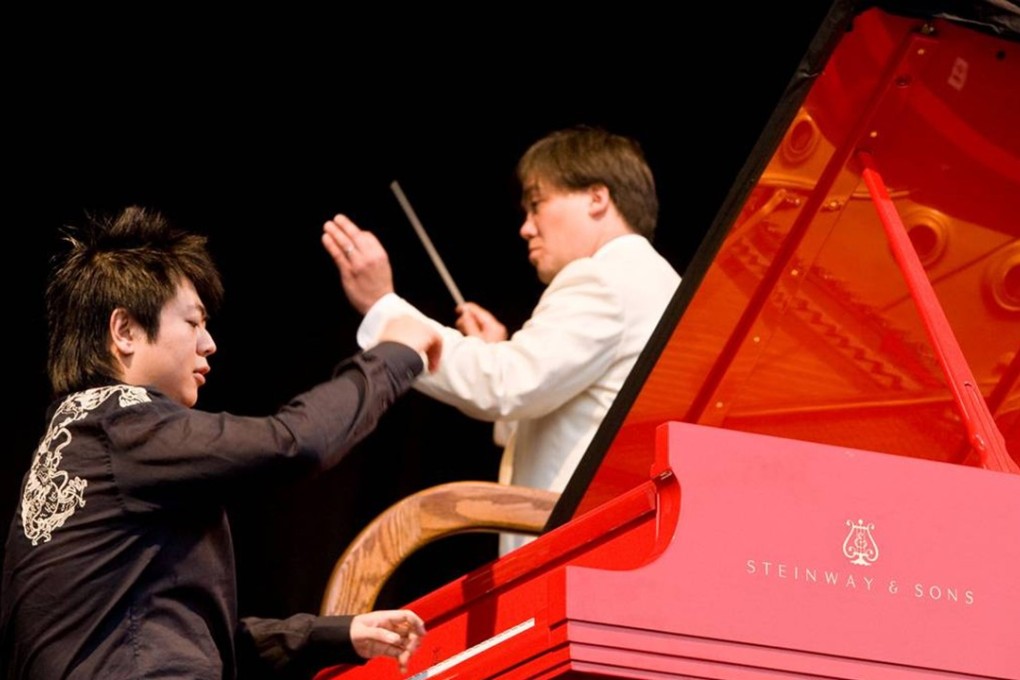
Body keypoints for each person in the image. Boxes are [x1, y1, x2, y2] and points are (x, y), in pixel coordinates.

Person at [0, 206, 441, 679]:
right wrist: (395, 353)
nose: (209, 344)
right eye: (193, 323)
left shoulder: (82, 438)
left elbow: (186, 638)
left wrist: (335, 635)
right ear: (124, 331)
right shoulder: (122, 422)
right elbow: (295, 443)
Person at [323, 126, 681, 553]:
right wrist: (499, 351)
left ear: (596, 198)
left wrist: (385, 309)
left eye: (536, 205)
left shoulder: (603, 278)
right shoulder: (656, 279)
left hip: (582, 554)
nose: (526, 228)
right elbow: (582, 410)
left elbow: (504, 385)